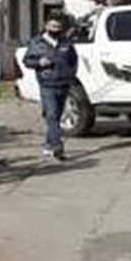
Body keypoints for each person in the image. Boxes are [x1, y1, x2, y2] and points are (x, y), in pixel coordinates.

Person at [23, 16, 79, 161]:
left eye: (58, 27)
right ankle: (57, 148)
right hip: (47, 83)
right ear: (46, 26)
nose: (56, 30)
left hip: (64, 83)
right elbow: (27, 61)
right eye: (53, 27)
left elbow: (73, 60)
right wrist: (39, 62)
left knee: (56, 116)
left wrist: (71, 75)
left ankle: (49, 144)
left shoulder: (65, 42)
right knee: (52, 115)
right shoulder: (37, 42)